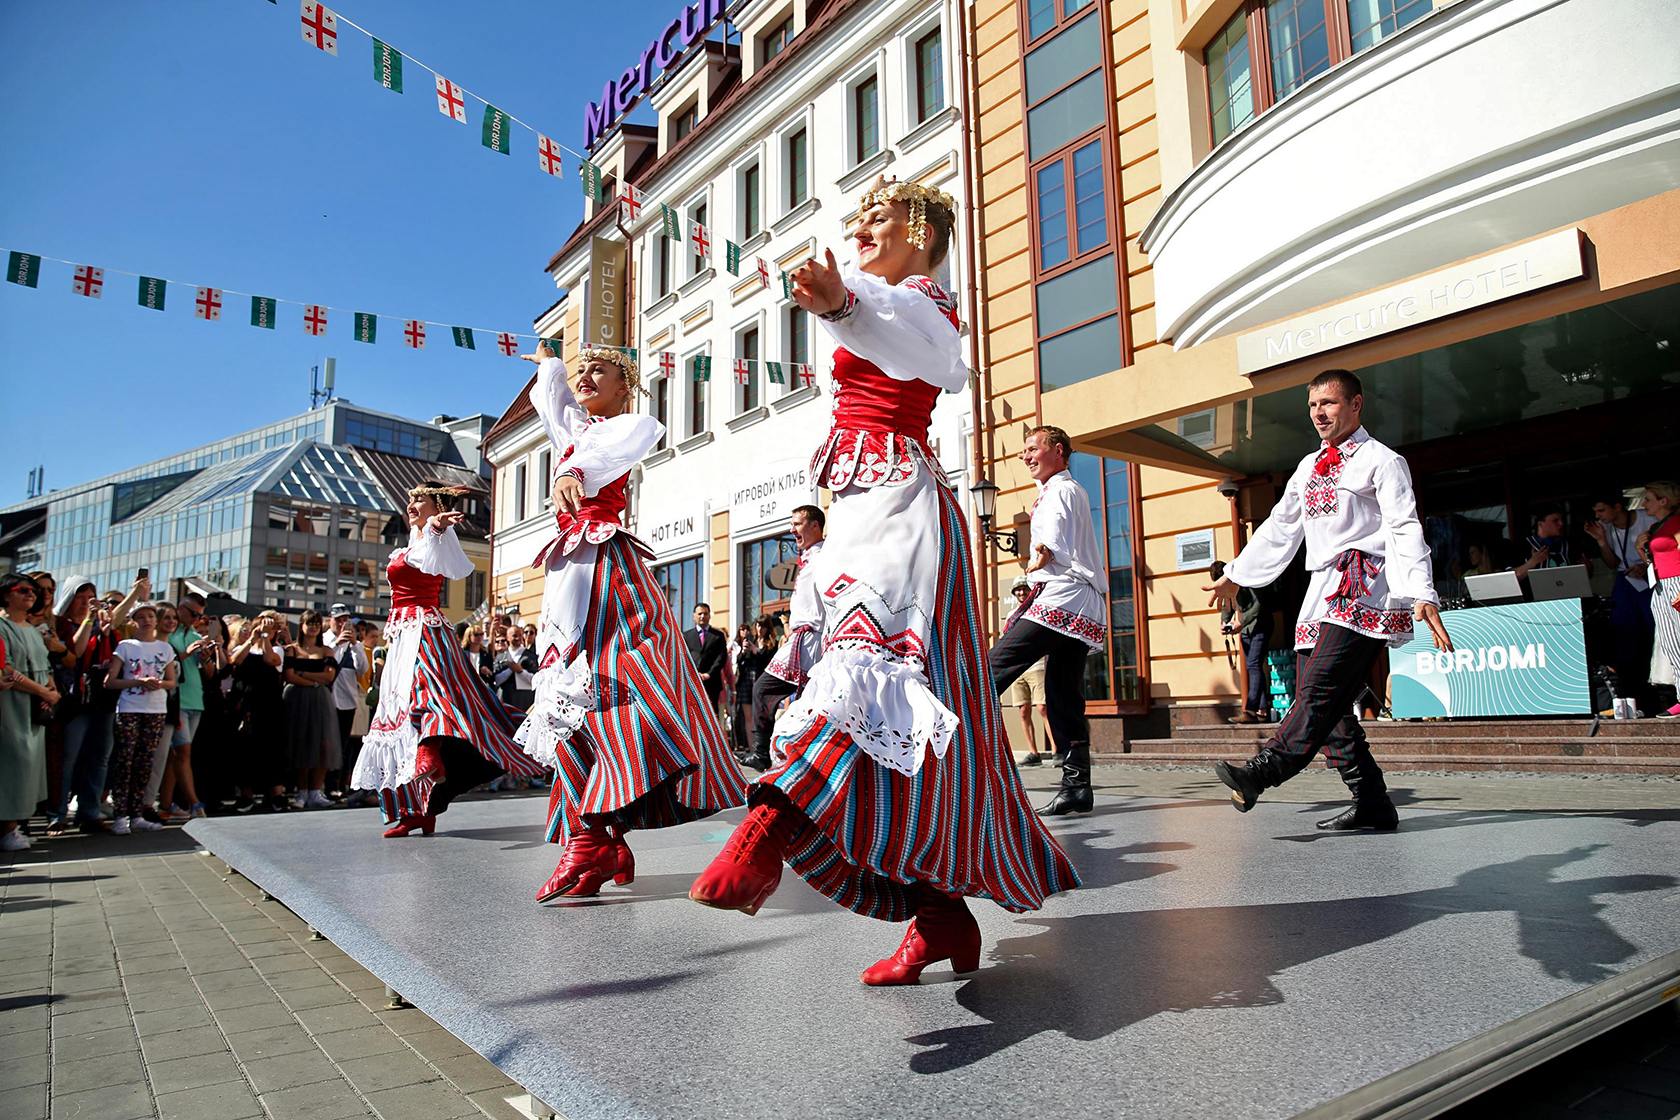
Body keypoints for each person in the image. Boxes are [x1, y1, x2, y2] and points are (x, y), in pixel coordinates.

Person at [690, 177, 1078, 985]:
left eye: (883, 216)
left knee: (868, 685)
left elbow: (934, 360)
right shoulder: (870, 294)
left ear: (924, 236)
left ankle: (767, 828)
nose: (864, 225)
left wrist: (841, 310)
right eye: (859, 216)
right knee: (897, 723)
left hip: (905, 512)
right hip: (860, 511)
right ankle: (939, 919)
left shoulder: (925, 301)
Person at [513, 343, 746, 901]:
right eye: (582, 370)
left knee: (616, 688)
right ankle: (601, 839)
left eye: (602, 371)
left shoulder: (629, 424)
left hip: (607, 566)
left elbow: (629, 440)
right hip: (570, 568)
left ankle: (592, 839)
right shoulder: (577, 427)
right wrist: (549, 363)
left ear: (625, 386)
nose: (587, 376)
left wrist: (573, 470)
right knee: (564, 697)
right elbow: (552, 402)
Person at [1205, 368, 1453, 830]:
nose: (1319, 413)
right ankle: (1373, 804)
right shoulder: (1308, 466)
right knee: (1330, 705)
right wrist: (1236, 575)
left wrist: (1422, 591)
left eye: (1330, 403)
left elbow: (1404, 525)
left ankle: (1265, 770)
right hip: (1322, 589)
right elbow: (1280, 526)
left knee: (1317, 689)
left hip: (1364, 583)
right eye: (1314, 405)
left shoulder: (1382, 460)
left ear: (1356, 405)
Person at [351, 482, 547, 837]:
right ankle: (417, 811)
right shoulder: (409, 543)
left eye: (419, 500)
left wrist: (438, 528)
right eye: (409, 499)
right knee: (395, 718)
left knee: (428, 693)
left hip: (426, 632)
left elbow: (448, 564)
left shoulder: (433, 539)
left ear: (436, 506)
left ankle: (430, 753)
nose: (411, 504)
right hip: (401, 637)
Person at [989, 426, 1107, 816]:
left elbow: (1053, 538)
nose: (1025, 456)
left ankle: (956, 763)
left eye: (1032, 448)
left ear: (1058, 451)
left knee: (992, 668)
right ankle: (1077, 787)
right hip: (1080, 602)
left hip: (1063, 596)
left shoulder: (1060, 491)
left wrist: (1038, 556)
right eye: (1023, 450)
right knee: (1061, 694)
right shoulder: (1064, 490)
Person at [51, 574, 143, 832]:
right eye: (79, 597)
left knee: (100, 757)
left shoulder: (103, 624)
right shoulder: (61, 625)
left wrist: (135, 593)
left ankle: (89, 812)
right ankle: (57, 813)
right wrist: (91, 619)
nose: (85, 603)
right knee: (68, 758)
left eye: (90, 598)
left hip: (101, 700)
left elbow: (119, 616)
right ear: (68, 598)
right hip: (74, 700)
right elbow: (77, 651)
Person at [746, 504, 826, 771]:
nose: (792, 530)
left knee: (765, 689)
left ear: (815, 525)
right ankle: (775, 754)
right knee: (799, 699)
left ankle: (764, 754)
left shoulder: (825, 558)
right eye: (791, 525)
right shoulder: (811, 558)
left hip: (811, 642)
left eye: (798, 524)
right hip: (800, 640)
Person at [102, 601, 177, 834]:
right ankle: (120, 815)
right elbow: (109, 681)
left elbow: (171, 681)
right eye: (141, 617)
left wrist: (158, 683)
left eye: (150, 616)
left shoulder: (165, 648)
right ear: (134, 622)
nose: (146, 620)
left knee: (145, 763)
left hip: (155, 709)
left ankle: (137, 814)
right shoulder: (125, 646)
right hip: (130, 708)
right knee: (125, 761)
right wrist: (137, 681)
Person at [1, 575, 58, 851]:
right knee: (15, 762)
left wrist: (52, 690)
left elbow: (45, 666)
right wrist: (43, 692)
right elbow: (8, 669)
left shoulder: (35, 630)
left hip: (36, 707)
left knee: (31, 764)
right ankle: (8, 829)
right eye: (22, 590)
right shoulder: (2, 627)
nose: (30, 595)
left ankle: (15, 827)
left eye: (32, 591)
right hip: (13, 705)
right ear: (5, 595)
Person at [1587, 493, 1656, 709]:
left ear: (1617, 506)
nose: (1598, 516)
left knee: (1654, 629)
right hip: (1626, 580)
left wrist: (1644, 567)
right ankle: (1632, 686)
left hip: (1649, 576)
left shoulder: (1647, 518)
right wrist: (1600, 540)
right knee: (1625, 634)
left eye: (1602, 511)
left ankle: (1660, 684)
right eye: (1595, 512)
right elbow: (1612, 563)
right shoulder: (1606, 527)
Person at [228, 612, 289, 813]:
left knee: (272, 750)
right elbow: (235, 660)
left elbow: (272, 660)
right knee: (245, 751)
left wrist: (265, 638)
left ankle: (275, 795)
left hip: (270, 706)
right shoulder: (243, 648)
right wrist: (252, 639)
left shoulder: (278, 649)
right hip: (247, 707)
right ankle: (246, 796)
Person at [284, 609, 341, 808]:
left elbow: (329, 677)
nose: (314, 627)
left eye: (317, 623)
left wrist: (305, 675)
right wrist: (314, 680)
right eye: (310, 623)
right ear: (302, 625)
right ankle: (302, 792)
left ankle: (316, 791)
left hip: (320, 700)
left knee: (323, 744)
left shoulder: (326, 651)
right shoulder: (292, 649)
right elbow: (289, 676)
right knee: (300, 743)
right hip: (297, 699)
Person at [1634, 481, 1680, 718]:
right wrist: (1640, 549)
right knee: (1671, 644)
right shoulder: (1654, 527)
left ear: (1664, 500)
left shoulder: (1676, 523)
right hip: (1660, 585)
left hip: (1677, 582)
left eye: (1649, 499)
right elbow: (1652, 564)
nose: (1644, 504)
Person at [999, 577, 1050, 766]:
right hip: (1018, 669)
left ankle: (1057, 750)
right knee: (1023, 710)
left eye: (1024, 589)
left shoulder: (1037, 609)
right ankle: (1033, 753)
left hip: (1036, 666)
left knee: (1043, 708)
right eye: (1017, 590)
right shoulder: (1013, 614)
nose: (1021, 593)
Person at [1213, 560, 1272, 723]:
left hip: (1260, 626)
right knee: (1254, 667)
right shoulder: (1228, 587)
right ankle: (1262, 711)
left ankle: (1251, 711)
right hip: (1246, 630)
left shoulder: (1247, 579)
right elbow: (1228, 607)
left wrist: (1240, 622)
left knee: (1253, 666)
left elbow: (1259, 605)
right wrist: (1224, 623)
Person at [325, 605, 369, 788]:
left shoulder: (356, 645)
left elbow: (363, 668)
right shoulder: (325, 641)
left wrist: (353, 645)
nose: (342, 624)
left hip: (347, 700)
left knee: (342, 744)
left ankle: (335, 785)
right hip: (327, 698)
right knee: (325, 743)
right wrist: (336, 644)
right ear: (330, 621)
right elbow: (323, 661)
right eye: (338, 620)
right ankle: (321, 785)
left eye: (346, 620)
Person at [732, 617, 776, 759]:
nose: (759, 629)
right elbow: (739, 662)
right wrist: (744, 652)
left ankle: (764, 748)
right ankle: (753, 751)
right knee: (749, 717)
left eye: (763, 626)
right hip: (747, 680)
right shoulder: (750, 639)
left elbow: (769, 663)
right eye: (757, 625)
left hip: (762, 679)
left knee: (763, 716)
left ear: (767, 628)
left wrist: (756, 651)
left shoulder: (771, 643)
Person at [684, 603, 728, 716]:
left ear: (709, 615)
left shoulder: (718, 635)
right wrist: (694, 673)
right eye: (700, 614)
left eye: (705, 613)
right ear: (694, 616)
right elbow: (684, 657)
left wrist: (709, 674)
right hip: (693, 680)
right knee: (694, 714)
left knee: (712, 714)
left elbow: (721, 657)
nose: (702, 616)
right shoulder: (686, 636)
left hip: (712, 681)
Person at [493, 622, 538, 711]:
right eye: (514, 636)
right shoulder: (501, 656)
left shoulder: (531, 656)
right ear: (507, 637)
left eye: (520, 635)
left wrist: (520, 671)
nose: (518, 638)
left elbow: (535, 679)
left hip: (524, 698)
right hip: (505, 697)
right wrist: (510, 670)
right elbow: (496, 680)